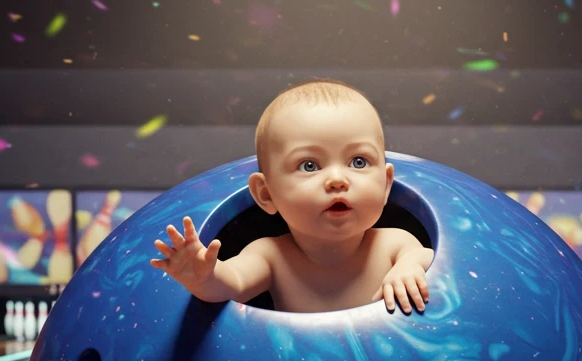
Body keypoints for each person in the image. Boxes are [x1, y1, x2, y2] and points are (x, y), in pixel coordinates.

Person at [151, 78, 434, 314]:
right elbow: (231, 283)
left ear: (386, 185)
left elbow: (425, 254)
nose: (337, 180)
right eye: (309, 165)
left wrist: (408, 268)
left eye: (358, 162)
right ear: (266, 194)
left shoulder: (394, 245)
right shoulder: (271, 257)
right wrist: (204, 277)